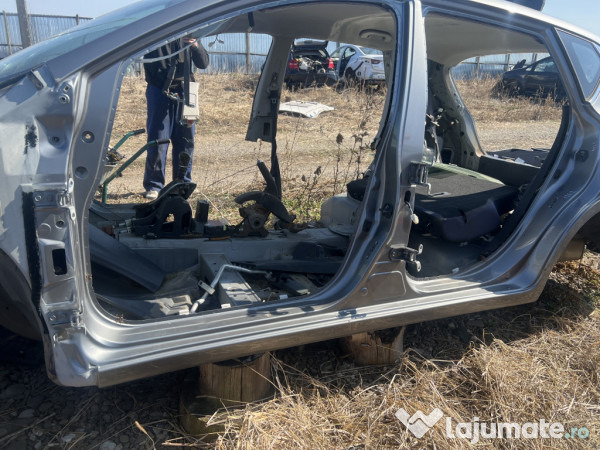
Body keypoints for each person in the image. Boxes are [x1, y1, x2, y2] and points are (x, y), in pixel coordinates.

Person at [142, 37, 209, 199]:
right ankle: (154, 185)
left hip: (186, 91)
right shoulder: (156, 33)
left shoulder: (188, 33)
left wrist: (195, 45)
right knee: (158, 139)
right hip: (159, 89)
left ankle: (182, 182)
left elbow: (203, 63)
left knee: (186, 140)